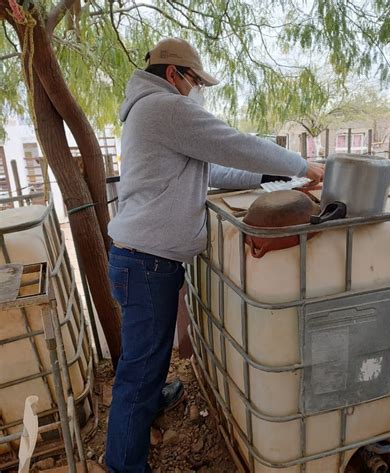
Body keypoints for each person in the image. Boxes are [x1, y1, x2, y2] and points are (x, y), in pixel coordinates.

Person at [105, 37, 324, 472]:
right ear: (173, 74)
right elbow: (232, 143)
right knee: (138, 368)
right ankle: (124, 464)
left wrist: (270, 176)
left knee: (146, 355)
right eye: (192, 80)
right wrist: (300, 165)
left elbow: (215, 167)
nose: (194, 89)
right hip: (147, 261)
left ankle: (149, 401)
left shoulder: (146, 111)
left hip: (140, 257)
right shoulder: (165, 108)